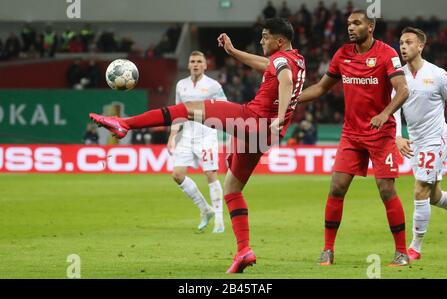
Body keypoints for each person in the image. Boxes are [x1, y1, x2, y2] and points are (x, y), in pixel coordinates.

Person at [90, 18, 305, 273]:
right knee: (232, 188)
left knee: (188, 109)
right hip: (263, 135)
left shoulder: (282, 63)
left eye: (265, 36)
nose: (261, 41)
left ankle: (125, 124)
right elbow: (269, 66)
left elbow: (286, 80)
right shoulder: (296, 59)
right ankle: (243, 250)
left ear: (279, 41)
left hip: (252, 120)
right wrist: (234, 52)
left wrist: (279, 117)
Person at [297, 10, 411, 266]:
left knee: (386, 190)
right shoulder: (342, 54)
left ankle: (401, 252)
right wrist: (290, 100)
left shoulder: (386, 54)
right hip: (351, 134)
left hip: (381, 134)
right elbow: (320, 88)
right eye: (348, 23)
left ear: (370, 27)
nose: (350, 28)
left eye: (356, 23)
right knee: (336, 187)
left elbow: (403, 91)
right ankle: (327, 250)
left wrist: (384, 114)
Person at [394, 27, 447, 261]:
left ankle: (415, 247)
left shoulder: (439, 75)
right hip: (414, 141)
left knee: (420, 190)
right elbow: (394, 110)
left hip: (436, 138)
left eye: (408, 42)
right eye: (401, 42)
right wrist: (397, 136)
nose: (403, 46)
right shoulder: (397, 76)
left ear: (420, 46)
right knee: (434, 195)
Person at [167, 50, 226, 233]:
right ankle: (205, 209)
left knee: (210, 174)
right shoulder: (181, 85)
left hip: (207, 135)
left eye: (199, 61)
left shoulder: (213, 85)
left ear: (205, 65)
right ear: (188, 65)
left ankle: (219, 220)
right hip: (187, 137)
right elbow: (178, 113)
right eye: (192, 61)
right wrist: (172, 135)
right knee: (177, 175)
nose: (195, 64)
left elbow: (225, 107)